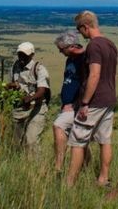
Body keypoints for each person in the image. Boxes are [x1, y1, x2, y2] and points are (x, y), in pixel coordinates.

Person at [66, 11, 118, 187]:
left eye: (79, 29)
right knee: (105, 140)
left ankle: (69, 183)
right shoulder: (110, 44)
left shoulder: (94, 46)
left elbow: (94, 75)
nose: (80, 33)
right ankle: (103, 179)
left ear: (85, 27)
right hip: (109, 99)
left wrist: (85, 103)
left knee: (78, 140)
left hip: (95, 101)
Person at [52, 30, 88, 172]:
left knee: (58, 125)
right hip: (68, 105)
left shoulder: (84, 59)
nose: (61, 52)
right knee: (79, 138)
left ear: (70, 46)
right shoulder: (70, 59)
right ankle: (85, 168)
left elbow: (86, 83)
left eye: (62, 49)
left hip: (76, 106)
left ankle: (58, 166)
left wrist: (76, 104)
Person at [7, 41, 51, 150]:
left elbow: (42, 90)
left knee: (31, 140)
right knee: (16, 142)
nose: (21, 57)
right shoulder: (14, 67)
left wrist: (30, 98)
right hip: (19, 109)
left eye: (24, 55)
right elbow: (11, 84)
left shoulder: (39, 69)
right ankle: (20, 163)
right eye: (19, 54)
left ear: (32, 55)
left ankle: (35, 165)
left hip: (36, 107)